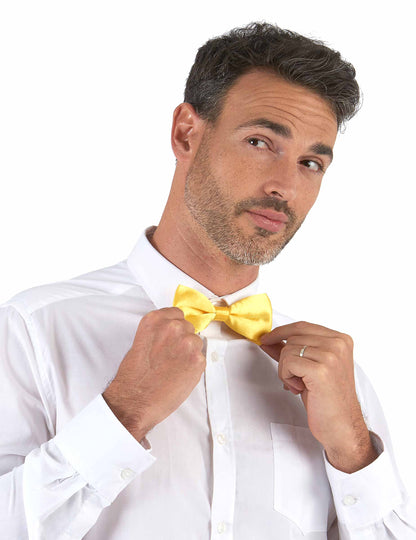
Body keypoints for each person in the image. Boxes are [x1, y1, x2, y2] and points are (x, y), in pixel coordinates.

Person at [0, 22, 415, 540]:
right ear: (186, 134)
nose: (285, 186)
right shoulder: (35, 330)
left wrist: (353, 450)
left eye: (311, 162)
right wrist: (122, 414)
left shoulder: (336, 380)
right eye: (260, 142)